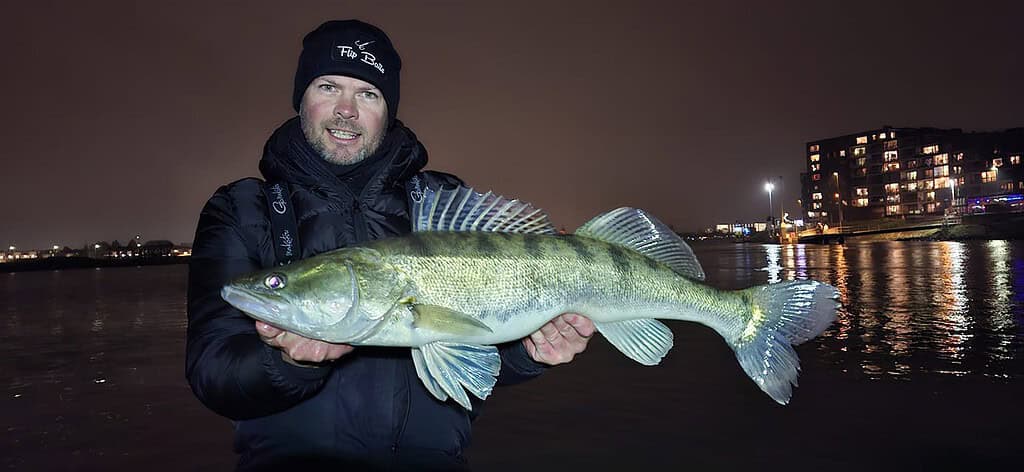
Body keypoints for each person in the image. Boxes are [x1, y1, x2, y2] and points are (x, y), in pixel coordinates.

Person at [186, 20, 594, 471]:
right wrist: (291, 365)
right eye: (328, 86)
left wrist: (530, 350)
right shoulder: (243, 209)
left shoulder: (443, 201)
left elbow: (477, 353)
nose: (346, 110)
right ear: (302, 98)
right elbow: (214, 372)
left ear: (388, 109)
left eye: (368, 93)